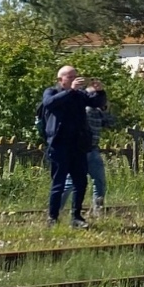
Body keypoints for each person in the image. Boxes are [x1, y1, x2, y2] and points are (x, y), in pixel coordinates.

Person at [39, 65, 105, 228]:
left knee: (81, 182)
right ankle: (52, 217)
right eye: (70, 77)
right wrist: (70, 91)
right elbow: (49, 103)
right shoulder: (52, 92)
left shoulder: (79, 95)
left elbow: (96, 102)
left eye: (75, 76)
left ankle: (76, 216)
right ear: (60, 79)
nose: (74, 80)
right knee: (58, 182)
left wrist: (100, 91)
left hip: (78, 145)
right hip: (59, 145)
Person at [81, 77, 112, 214]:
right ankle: (56, 210)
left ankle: (97, 209)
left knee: (99, 181)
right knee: (73, 183)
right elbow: (110, 121)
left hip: (93, 149)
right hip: (82, 150)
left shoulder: (97, 111)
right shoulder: (87, 110)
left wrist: (104, 108)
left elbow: (110, 122)